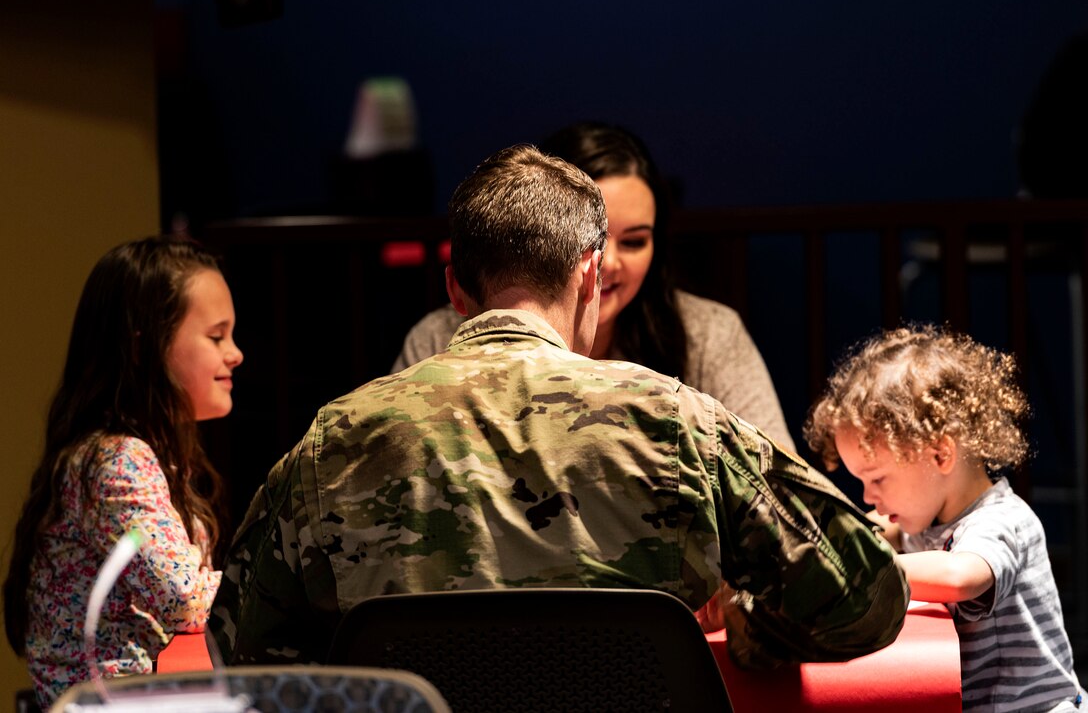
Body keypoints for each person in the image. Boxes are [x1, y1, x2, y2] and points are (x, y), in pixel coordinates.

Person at [211, 144, 907, 669]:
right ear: (591, 273)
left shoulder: (338, 437)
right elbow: (867, 596)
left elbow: (237, 646)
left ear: (456, 288)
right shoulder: (678, 422)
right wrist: (751, 633)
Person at [391, 121, 795, 450]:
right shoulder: (439, 340)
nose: (608, 265)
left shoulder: (707, 333)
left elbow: (774, 478)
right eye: (594, 244)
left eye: (635, 241)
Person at [2, 236, 244, 707]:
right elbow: (186, 599)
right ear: (143, 348)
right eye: (216, 336)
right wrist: (267, 580)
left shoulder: (140, 452)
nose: (235, 353)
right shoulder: (116, 460)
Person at [805, 325, 1084, 712]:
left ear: (940, 456)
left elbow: (960, 577)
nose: (869, 495)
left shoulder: (1001, 521)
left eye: (878, 478)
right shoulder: (926, 519)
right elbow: (878, 528)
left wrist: (857, 566)